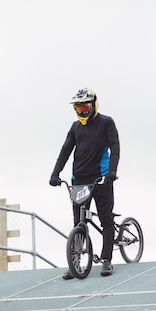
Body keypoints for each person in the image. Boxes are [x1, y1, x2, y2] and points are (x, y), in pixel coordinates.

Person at [50, 88, 120, 279]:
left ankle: (106, 260)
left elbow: (115, 147)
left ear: (94, 104)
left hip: (102, 179)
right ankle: (75, 264)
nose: (82, 111)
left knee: (105, 219)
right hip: (79, 181)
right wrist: (55, 174)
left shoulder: (106, 122)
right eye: (78, 108)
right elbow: (65, 151)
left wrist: (112, 171)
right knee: (78, 223)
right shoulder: (75, 127)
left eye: (85, 107)